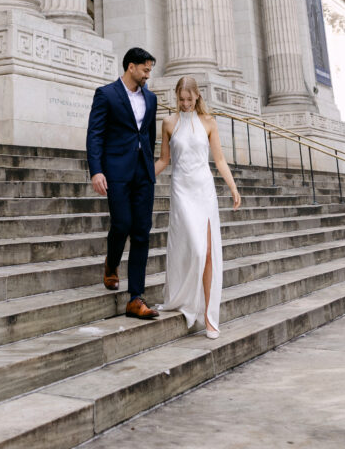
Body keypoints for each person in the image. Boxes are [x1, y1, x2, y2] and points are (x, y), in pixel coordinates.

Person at [156, 76, 241, 338]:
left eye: (189, 100)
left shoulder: (209, 123)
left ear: (197, 97)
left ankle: (209, 315)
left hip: (204, 190)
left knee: (207, 254)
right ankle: (185, 299)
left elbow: (220, 160)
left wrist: (233, 187)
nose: (185, 104)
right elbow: (163, 160)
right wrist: (141, 178)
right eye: (181, 99)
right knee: (194, 249)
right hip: (181, 191)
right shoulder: (169, 123)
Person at [86, 47, 160, 319]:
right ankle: (111, 264)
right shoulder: (106, 94)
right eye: (145, 69)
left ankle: (136, 297)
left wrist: (149, 167)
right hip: (115, 172)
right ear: (131, 67)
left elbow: (149, 137)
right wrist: (97, 171)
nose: (147, 74)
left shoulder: (150, 99)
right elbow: (95, 134)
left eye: (149, 70)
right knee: (122, 224)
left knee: (142, 231)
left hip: (143, 174)